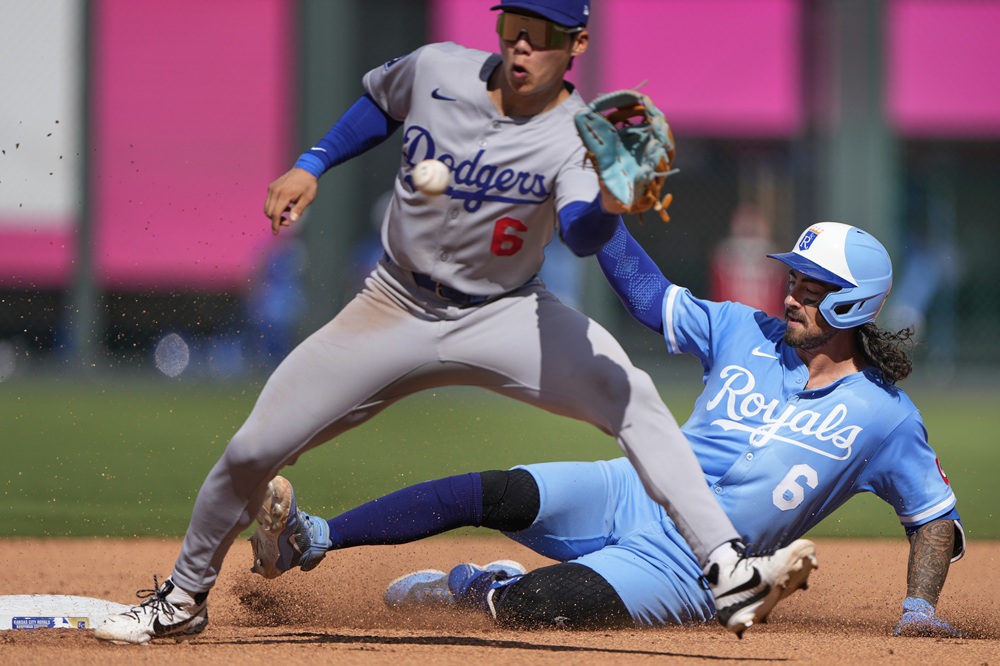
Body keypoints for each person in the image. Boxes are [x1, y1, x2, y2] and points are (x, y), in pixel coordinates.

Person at [93, 0, 809, 645]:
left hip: (508, 313)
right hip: (392, 304)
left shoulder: (575, 136)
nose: (523, 44)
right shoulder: (438, 68)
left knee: (636, 398)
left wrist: (611, 204)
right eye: (514, 26)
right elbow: (380, 103)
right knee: (254, 449)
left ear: (578, 44)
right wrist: (313, 163)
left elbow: (581, 233)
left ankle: (726, 568)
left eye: (545, 33)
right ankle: (182, 600)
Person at [244, 221, 962, 635]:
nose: (792, 295)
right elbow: (650, 298)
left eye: (812, 287)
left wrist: (918, 609)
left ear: (852, 304)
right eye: (794, 280)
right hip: (633, 489)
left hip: (689, 568)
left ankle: (477, 584)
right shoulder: (746, 330)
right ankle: (311, 539)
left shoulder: (885, 417)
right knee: (494, 491)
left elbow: (932, 516)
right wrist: (602, 224)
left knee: (536, 607)